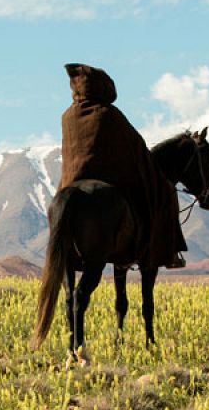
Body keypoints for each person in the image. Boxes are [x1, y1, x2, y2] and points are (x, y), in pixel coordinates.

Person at [58, 63, 188, 269]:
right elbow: (135, 147)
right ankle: (165, 251)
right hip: (112, 177)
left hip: (71, 178)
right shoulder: (108, 113)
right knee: (162, 193)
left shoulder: (67, 116)